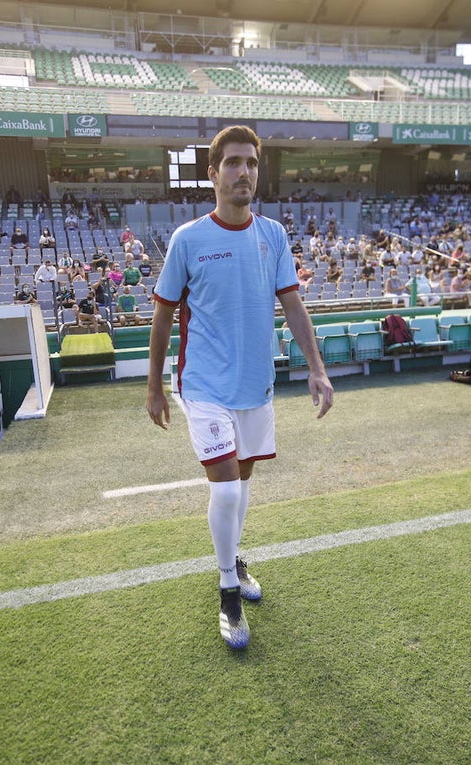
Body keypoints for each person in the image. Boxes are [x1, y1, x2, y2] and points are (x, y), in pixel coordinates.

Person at [145, 126, 333, 651]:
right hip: (203, 386)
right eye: (231, 162)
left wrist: (316, 367)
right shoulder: (188, 240)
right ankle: (227, 589)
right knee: (225, 485)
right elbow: (162, 316)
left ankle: (233, 559)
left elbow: (294, 305)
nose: (243, 171)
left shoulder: (272, 235)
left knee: (242, 483)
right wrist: (155, 386)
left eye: (250, 162)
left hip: (257, 385)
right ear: (212, 174)